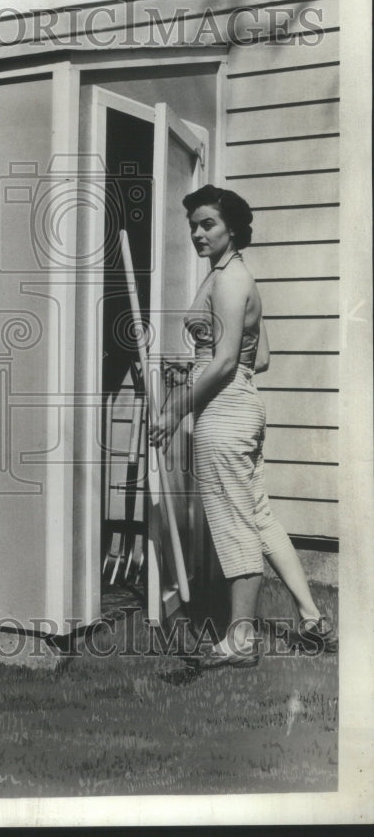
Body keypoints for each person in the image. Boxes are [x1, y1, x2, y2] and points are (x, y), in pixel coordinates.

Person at [148, 184, 337, 668]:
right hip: (243, 404)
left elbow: (228, 358)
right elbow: (263, 356)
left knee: (235, 527)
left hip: (224, 410)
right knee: (257, 516)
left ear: (232, 227)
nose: (197, 233)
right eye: (192, 225)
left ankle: (240, 640)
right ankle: (312, 617)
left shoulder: (230, 281)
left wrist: (175, 406)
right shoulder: (234, 276)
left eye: (207, 224)